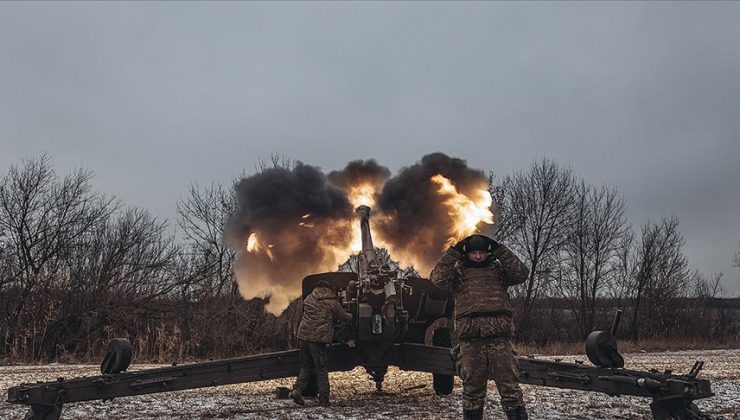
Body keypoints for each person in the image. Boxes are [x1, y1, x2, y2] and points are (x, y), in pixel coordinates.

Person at [430, 234, 530, 420]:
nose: (477, 257)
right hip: (470, 339)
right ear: (467, 254)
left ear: (488, 253)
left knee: (509, 387)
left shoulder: (498, 272)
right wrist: (453, 252)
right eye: (473, 253)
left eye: (482, 252)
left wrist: (500, 249)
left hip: (499, 337)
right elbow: (437, 278)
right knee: (472, 389)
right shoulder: (458, 274)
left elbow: (521, 273)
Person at [290, 279, 353, 407]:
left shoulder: (309, 299)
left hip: (303, 337)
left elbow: (304, 311)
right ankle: (324, 399)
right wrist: (353, 316)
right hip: (317, 340)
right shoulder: (332, 302)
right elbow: (343, 317)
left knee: (306, 367)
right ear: (328, 289)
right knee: (321, 369)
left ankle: (297, 390)